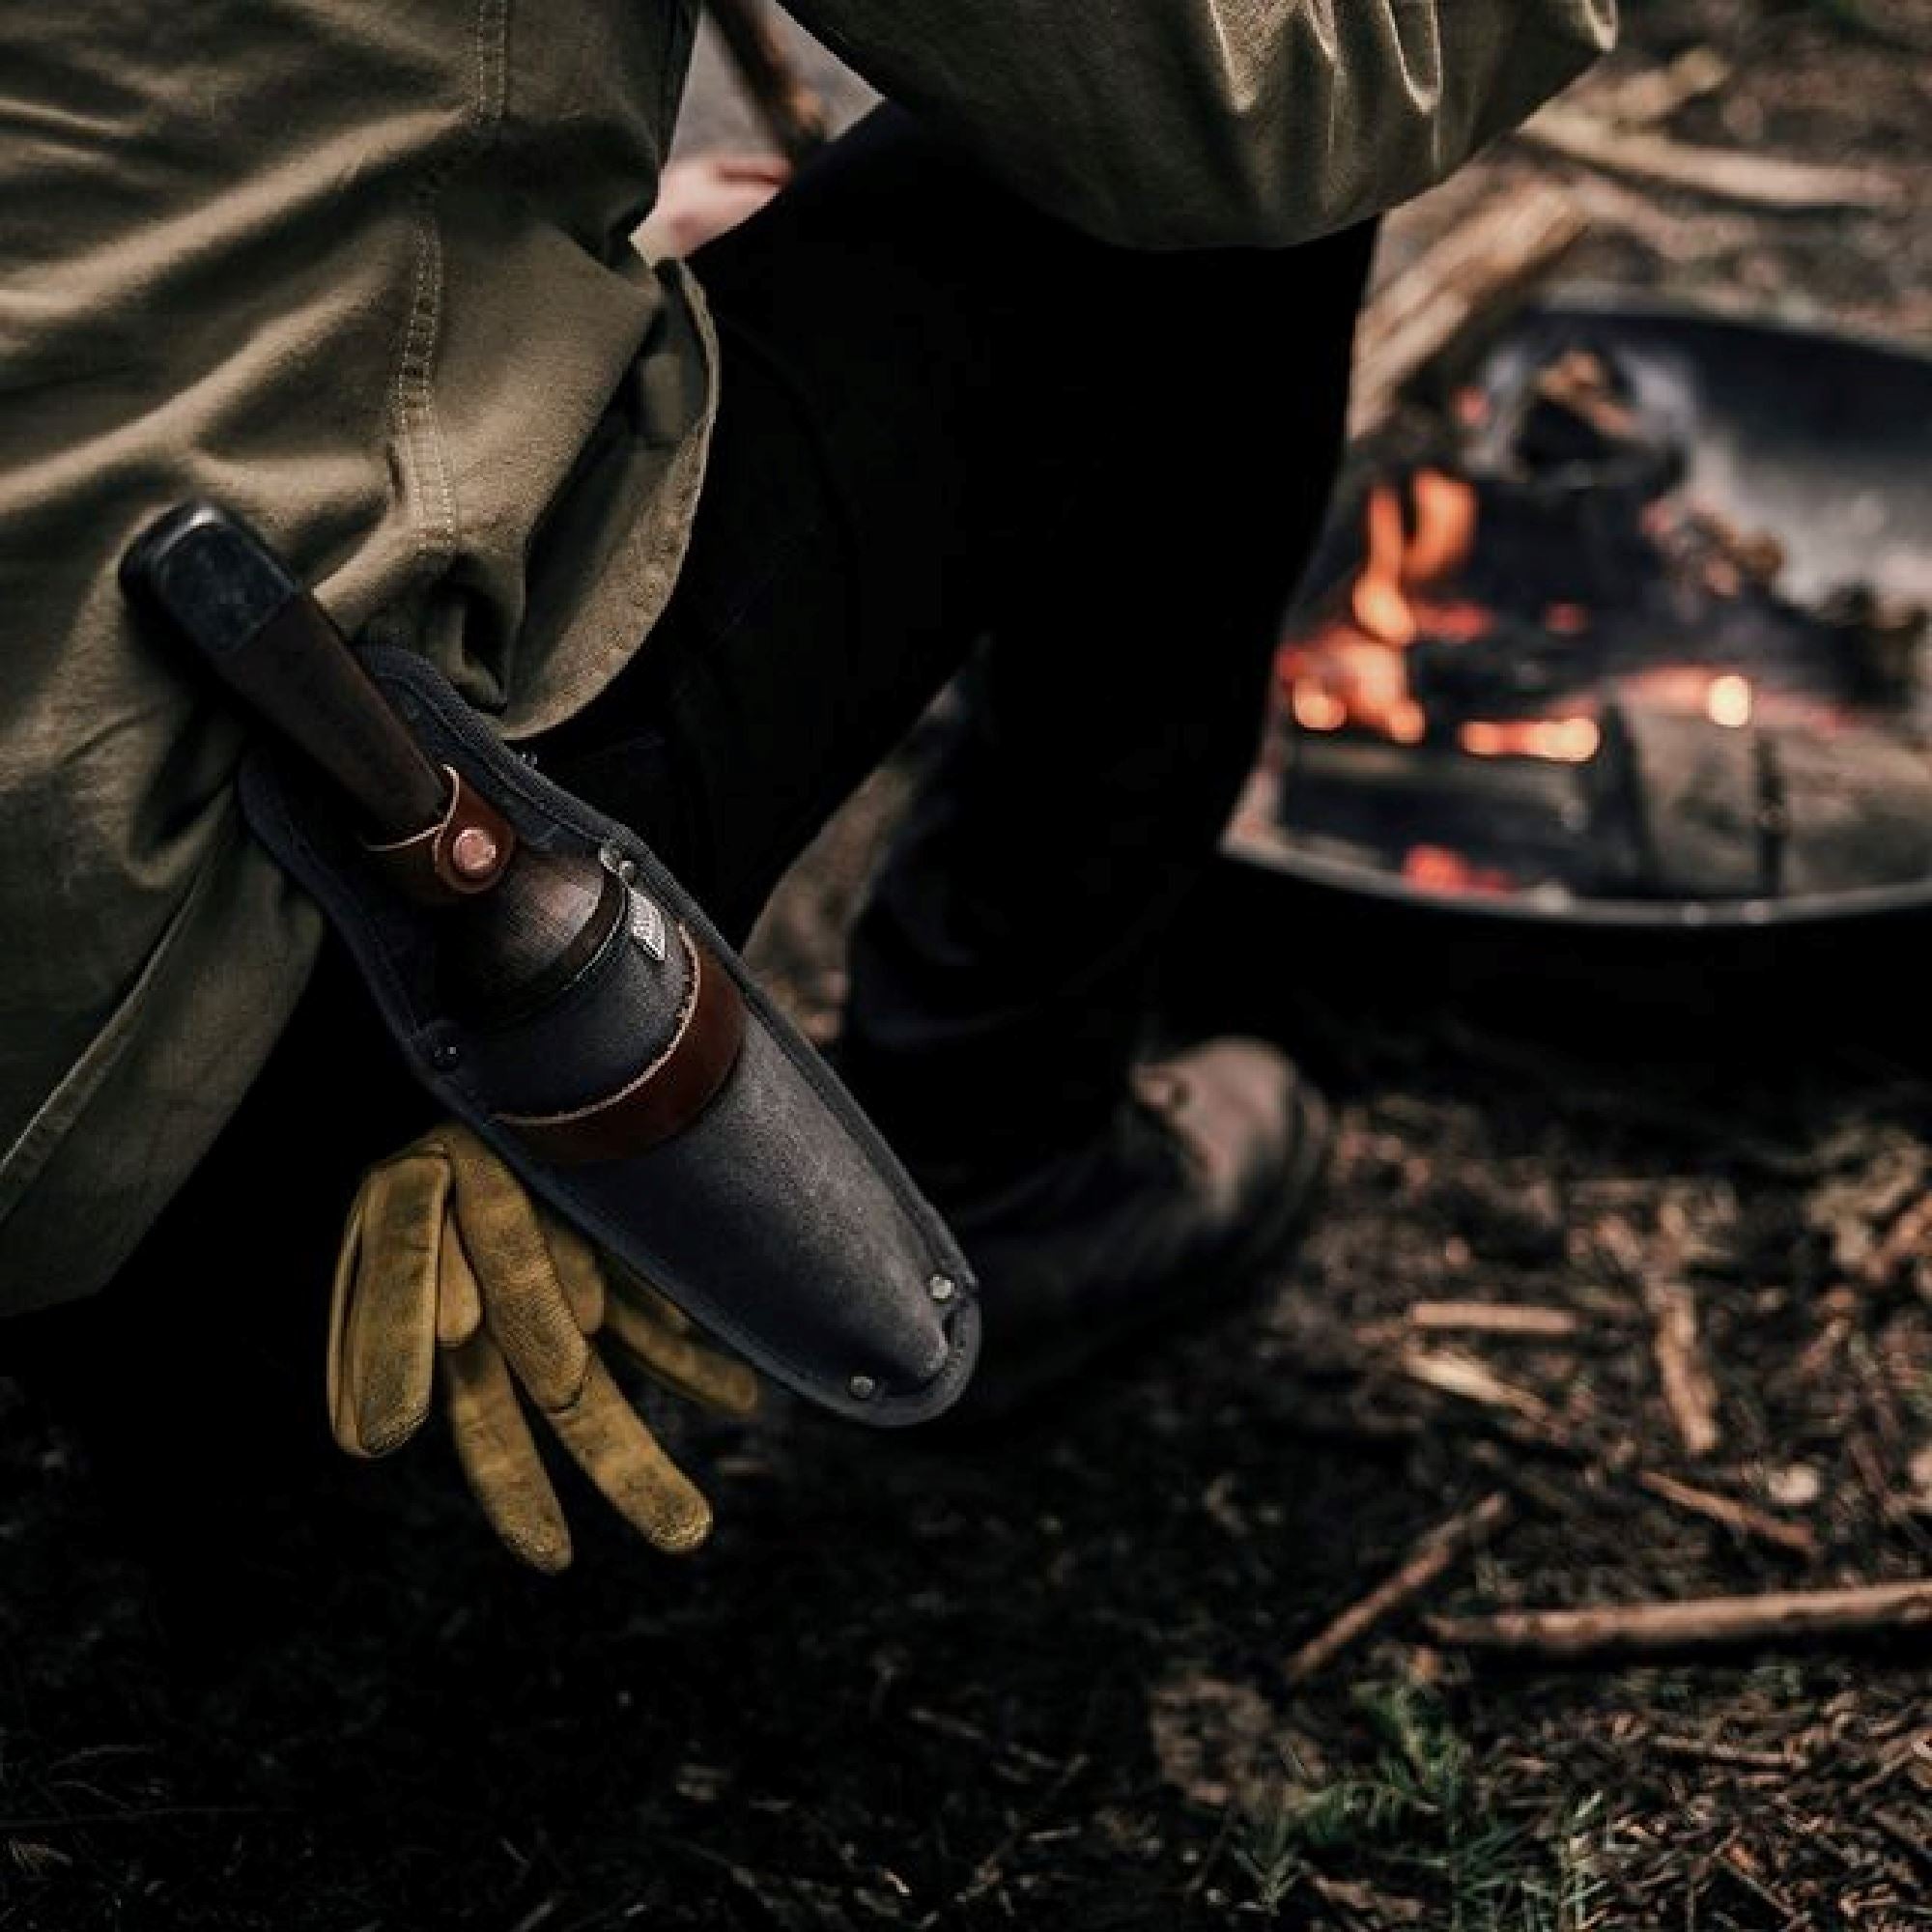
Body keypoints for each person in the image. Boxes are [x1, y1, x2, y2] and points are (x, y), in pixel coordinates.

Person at [0, 0, 1616, 1590]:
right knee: (1228, 167)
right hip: (202, 940)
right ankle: (1012, 1160)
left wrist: (543, 293)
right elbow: (1250, 110)